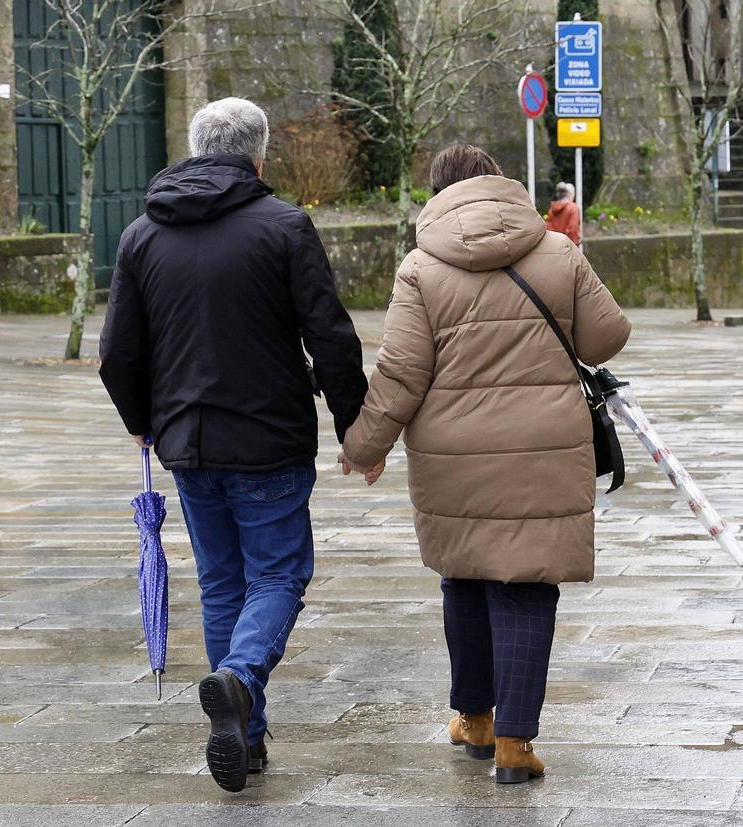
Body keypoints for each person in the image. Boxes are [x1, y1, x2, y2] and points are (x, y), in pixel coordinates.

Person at [98, 97, 371, 793]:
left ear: (195, 148)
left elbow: (117, 352)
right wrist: (356, 428)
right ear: (259, 154)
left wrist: (140, 419)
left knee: (222, 582)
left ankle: (244, 741)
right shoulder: (283, 226)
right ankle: (241, 680)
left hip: (187, 442)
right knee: (277, 576)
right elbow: (330, 337)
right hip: (269, 438)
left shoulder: (141, 235)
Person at [341, 145, 631, 784]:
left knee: (465, 577)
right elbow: (607, 337)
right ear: (501, 185)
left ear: (438, 194)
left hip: (452, 456)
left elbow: (401, 372)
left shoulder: (420, 267)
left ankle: (473, 720)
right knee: (527, 586)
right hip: (545, 450)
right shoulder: (557, 251)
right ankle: (514, 746)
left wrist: (365, 447)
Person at [545, 181, 581, 245]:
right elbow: (573, 230)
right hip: (567, 246)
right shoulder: (573, 208)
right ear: (570, 194)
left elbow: (548, 229)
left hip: (554, 245)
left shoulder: (552, 209)